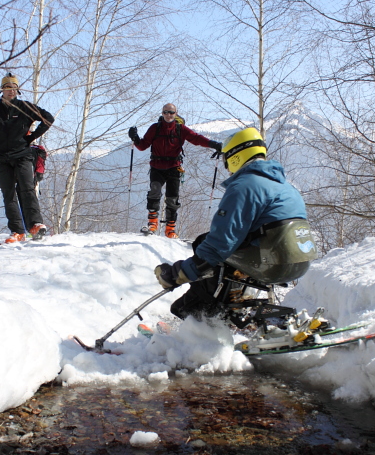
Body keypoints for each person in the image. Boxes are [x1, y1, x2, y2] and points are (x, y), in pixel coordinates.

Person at [154, 127, 318, 319]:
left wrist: (178, 273)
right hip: (299, 263)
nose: (226, 166)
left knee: (205, 244)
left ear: (235, 156)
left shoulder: (245, 186)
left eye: (225, 159)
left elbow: (221, 242)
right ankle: (234, 306)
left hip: (272, 264)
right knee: (229, 250)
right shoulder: (285, 186)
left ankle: (200, 312)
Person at [0, 73, 54, 243]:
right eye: (7, 88)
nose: (10, 91)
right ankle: (17, 231)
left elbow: (48, 119)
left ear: (17, 90)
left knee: (27, 189)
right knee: (9, 194)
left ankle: (35, 225)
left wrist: (32, 137)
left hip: (22, 156)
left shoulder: (25, 107)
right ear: (2, 90)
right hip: (1, 158)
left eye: (13, 88)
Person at [128, 103, 222, 238]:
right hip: (157, 166)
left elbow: (196, 138)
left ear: (176, 113)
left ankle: (170, 230)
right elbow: (143, 146)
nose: (168, 115)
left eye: (171, 112)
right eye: (166, 112)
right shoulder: (155, 128)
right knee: (155, 191)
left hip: (174, 167)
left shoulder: (180, 129)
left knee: (172, 198)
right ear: (162, 113)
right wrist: (135, 138)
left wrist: (213, 144)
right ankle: (152, 224)